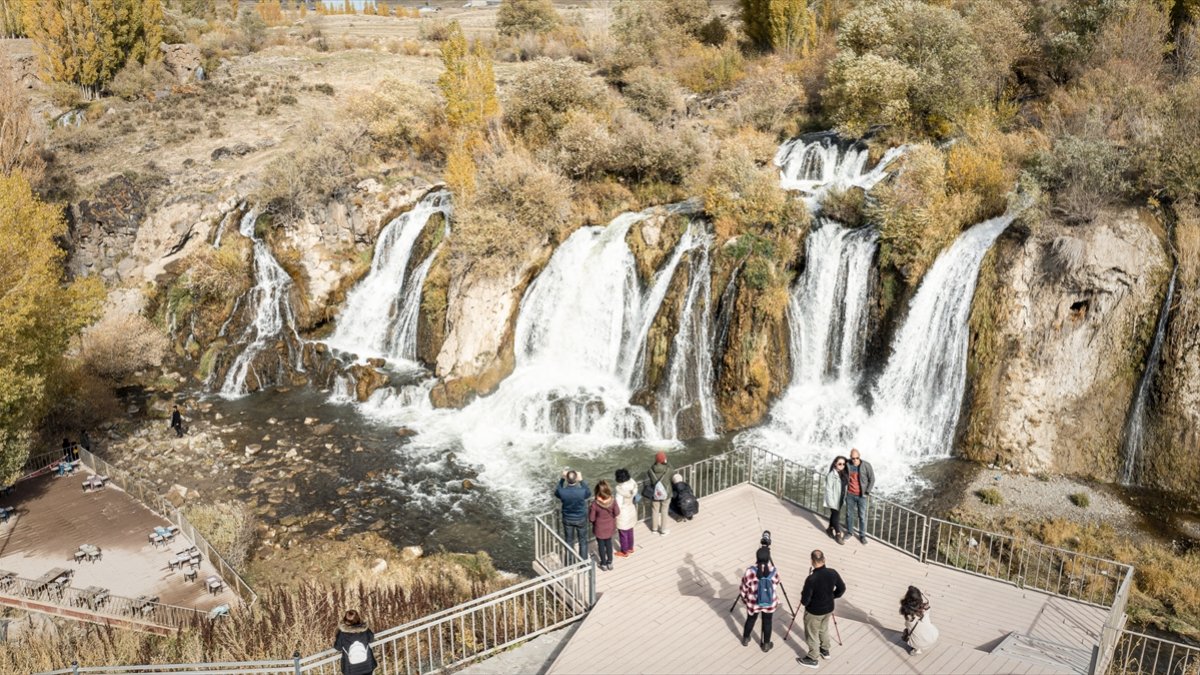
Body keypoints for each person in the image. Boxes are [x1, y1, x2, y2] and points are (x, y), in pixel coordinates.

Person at [797, 549, 846, 669]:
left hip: (814, 611)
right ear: (823, 559)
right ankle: (825, 650)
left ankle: (813, 658)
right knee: (823, 628)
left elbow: (805, 601)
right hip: (829, 608)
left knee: (812, 634)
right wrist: (832, 596)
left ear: (812, 561)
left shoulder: (811, 579)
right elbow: (842, 588)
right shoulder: (833, 572)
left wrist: (804, 594)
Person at [739, 545, 781, 652]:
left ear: (756, 558)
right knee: (767, 622)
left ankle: (745, 638)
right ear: (768, 558)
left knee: (750, 619)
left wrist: (744, 599)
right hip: (769, 602)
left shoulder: (750, 571)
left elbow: (743, 588)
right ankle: (766, 644)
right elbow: (777, 583)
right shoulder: (774, 571)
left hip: (753, 603)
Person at [555, 469, 590, 560]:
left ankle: (569, 562)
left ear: (567, 479)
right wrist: (581, 480)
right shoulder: (581, 491)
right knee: (583, 541)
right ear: (576, 479)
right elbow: (588, 493)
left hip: (567, 519)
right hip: (580, 518)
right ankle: (583, 563)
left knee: (569, 541)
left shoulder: (562, 492)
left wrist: (562, 479)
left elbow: (557, 492)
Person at [844, 448, 875, 545]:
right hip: (850, 494)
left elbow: (872, 479)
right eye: (853, 458)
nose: (855, 460)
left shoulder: (866, 465)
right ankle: (849, 532)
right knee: (849, 515)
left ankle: (862, 536)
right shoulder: (847, 464)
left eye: (857, 458)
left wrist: (867, 492)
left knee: (862, 516)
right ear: (850, 458)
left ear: (859, 457)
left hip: (862, 496)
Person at [334, 609, 377, 675]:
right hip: (367, 665)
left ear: (345, 619)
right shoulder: (364, 630)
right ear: (357, 618)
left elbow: (338, 647)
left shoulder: (342, 633)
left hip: (351, 668)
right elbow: (371, 639)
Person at [588, 480, 620, 571]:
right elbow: (617, 512)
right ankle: (610, 562)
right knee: (609, 544)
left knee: (601, 546)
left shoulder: (595, 504)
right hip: (610, 527)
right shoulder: (613, 501)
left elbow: (592, 519)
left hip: (599, 529)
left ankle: (603, 563)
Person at [900, 586, 939, 655]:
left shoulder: (909, 617)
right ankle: (920, 643)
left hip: (920, 643)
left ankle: (916, 649)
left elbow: (907, 624)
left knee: (906, 632)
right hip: (933, 636)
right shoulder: (926, 608)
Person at [613, 468, 639, 557]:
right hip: (631, 509)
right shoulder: (632, 484)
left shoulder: (620, 491)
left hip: (623, 513)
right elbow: (634, 484)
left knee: (623, 533)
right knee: (630, 530)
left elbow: (618, 505)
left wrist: (614, 515)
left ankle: (624, 551)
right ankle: (630, 548)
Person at [646, 451, 673, 535]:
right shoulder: (668, 469)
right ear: (664, 459)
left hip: (655, 493)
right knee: (664, 511)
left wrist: (656, 462)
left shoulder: (650, 470)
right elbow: (672, 471)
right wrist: (666, 462)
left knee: (655, 510)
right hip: (666, 493)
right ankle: (663, 530)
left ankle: (654, 529)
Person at [823, 456, 848, 545]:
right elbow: (828, 489)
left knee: (834, 514)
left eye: (843, 464)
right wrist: (831, 502)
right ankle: (838, 534)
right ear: (835, 464)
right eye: (840, 464)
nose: (842, 466)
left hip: (840, 498)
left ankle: (829, 529)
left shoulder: (843, 473)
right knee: (836, 516)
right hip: (834, 499)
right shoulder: (831, 475)